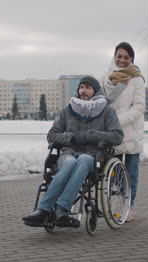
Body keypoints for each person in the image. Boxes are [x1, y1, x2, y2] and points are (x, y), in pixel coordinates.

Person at [22, 76, 124, 227]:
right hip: (69, 153)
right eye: (81, 87)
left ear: (95, 91)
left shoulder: (107, 111)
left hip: (93, 156)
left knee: (83, 159)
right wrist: (72, 138)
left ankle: (62, 208)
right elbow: (52, 135)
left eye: (88, 87)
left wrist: (90, 137)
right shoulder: (68, 110)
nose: (84, 90)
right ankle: (43, 210)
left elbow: (117, 136)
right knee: (69, 162)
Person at [100, 42, 145, 222]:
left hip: (132, 132)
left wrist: (118, 121)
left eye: (126, 57)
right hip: (113, 134)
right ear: (114, 56)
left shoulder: (137, 79)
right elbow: (101, 100)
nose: (122, 60)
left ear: (132, 59)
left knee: (131, 174)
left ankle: (129, 206)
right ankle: (115, 205)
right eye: (119, 56)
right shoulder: (106, 78)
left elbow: (139, 107)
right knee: (113, 174)